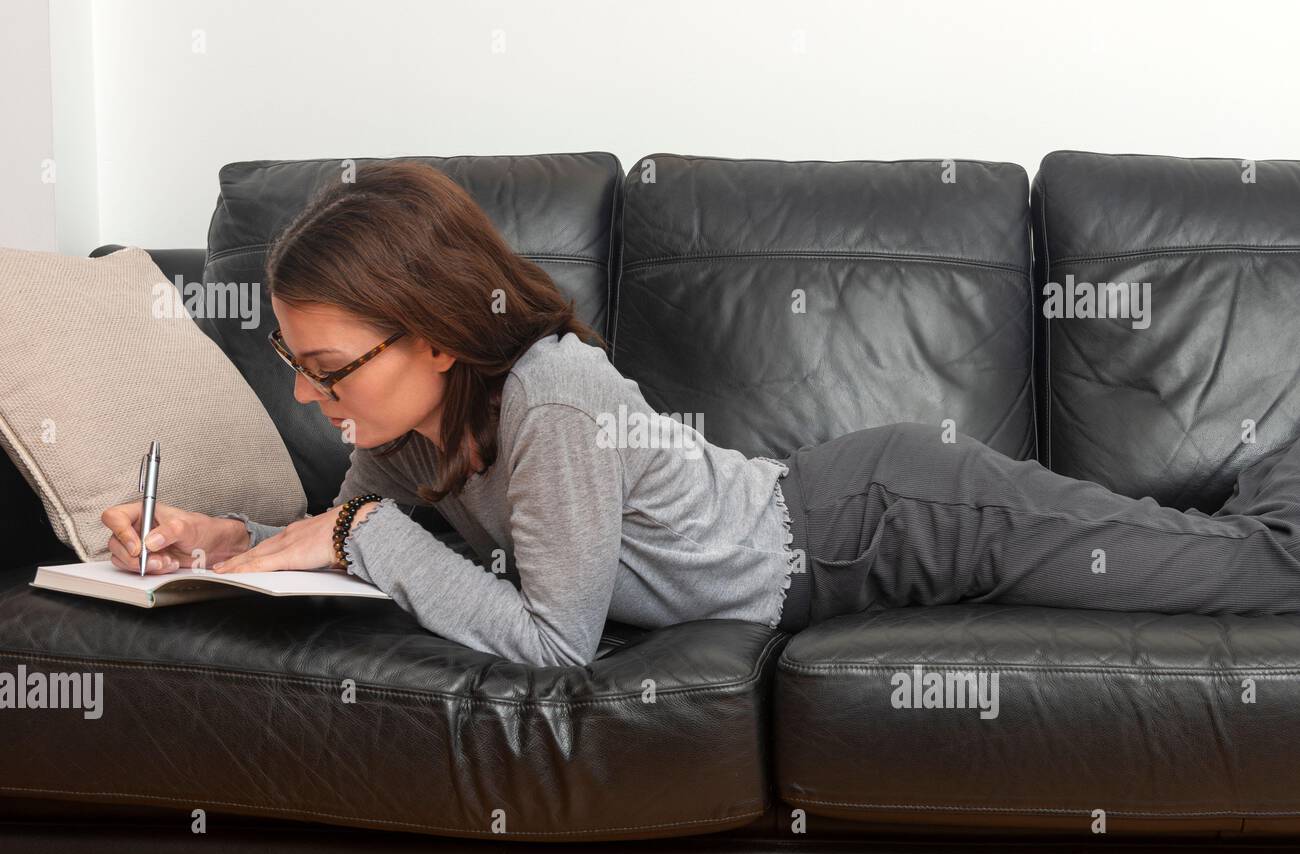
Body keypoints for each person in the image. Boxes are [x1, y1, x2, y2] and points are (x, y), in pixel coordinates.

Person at [101, 160, 1300, 668]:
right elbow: (353, 541)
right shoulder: (403, 428)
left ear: (432, 333)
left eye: (327, 367)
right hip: (838, 517)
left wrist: (361, 538)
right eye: (289, 364)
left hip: (892, 517)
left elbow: (555, 645)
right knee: (1199, 548)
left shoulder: (549, 396)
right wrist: (223, 546)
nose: (307, 398)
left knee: (1260, 575)